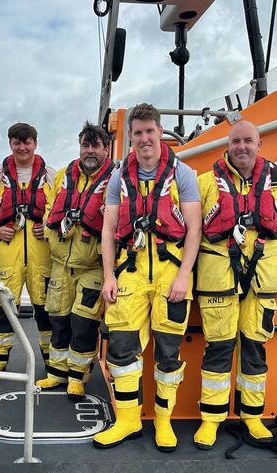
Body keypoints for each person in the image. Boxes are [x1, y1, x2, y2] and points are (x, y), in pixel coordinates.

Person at [92, 103, 201, 452]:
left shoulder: (182, 174)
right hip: (130, 271)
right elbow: (108, 232)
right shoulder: (118, 177)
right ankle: (128, 421)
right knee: (122, 350)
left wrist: (184, 275)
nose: (143, 139)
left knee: (169, 352)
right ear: (131, 138)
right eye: (137, 133)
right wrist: (109, 276)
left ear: (160, 131)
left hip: (171, 273)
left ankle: (164, 421)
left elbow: (195, 230)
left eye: (149, 131)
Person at [193, 120, 277, 449]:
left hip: (261, 279)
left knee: (255, 349)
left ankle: (252, 417)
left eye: (248, 141)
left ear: (259, 145)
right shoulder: (205, 183)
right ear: (228, 145)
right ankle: (210, 420)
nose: (242, 147)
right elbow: (190, 228)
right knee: (218, 349)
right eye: (236, 141)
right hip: (218, 278)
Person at [38, 122, 115, 399]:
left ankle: (77, 377)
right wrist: (52, 231)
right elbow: (49, 210)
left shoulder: (115, 179)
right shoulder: (62, 176)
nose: (90, 151)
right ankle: (56, 373)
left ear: (106, 148)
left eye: (96, 145)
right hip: (60, 262)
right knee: (58, 318)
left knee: (83, 323)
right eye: (85, 145)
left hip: (92, 265)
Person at [0, 123, 54, 371]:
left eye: (27, 142)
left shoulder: (50, 175)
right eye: (17, 142)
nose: (22, 147)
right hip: (7, 248)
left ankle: (51, 362)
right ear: (10, 144)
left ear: (35, 143)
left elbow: (57, 212)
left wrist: (48, 227)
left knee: (45, 309)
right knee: (3, 306)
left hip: (41, 251)